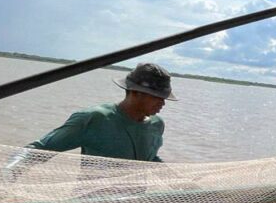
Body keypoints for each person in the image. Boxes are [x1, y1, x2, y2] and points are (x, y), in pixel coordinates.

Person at [26, 62, 176, 161]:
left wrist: (178, 181)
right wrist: (13, 171)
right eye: (157, 97)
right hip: (93, 199)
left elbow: (149, 159)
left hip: (134, 200)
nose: (163, 103)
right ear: (135, 92)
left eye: (164, 98)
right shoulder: (94, 119)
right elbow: (38, 149)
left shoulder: (157, 125)